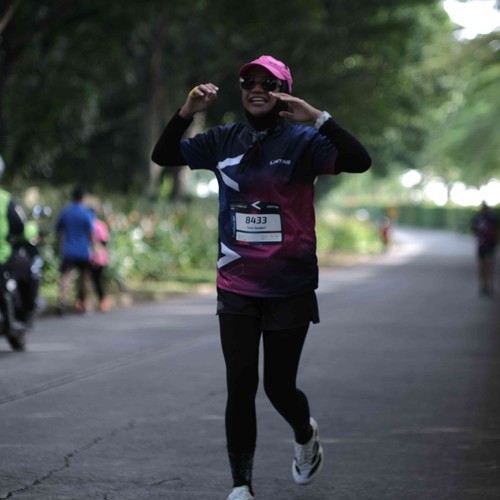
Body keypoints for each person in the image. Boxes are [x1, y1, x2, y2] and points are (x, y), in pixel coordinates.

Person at [152, 55, 372, 500]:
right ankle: (241, 485)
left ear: (284, 92)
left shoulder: (305, 141)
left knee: (278, 387)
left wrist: (319, 117)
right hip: (236, 283)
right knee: (240, 384)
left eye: (268, 84)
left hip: (289, 284)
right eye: (249, 81)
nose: (257, 88)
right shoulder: (223, 139)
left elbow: (359, 160)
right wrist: (187, 111)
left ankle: (305, 434)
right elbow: (163, 155)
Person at [0, 155, 39, 336]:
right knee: (30, 271)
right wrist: (34, 228)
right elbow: (20, 228)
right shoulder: (5, 200)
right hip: (3, 258)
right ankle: (25, 312)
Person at [55, 186, 94, 314]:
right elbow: (90, 233)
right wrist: (93, 248)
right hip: (83, 251)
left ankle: (62, 301)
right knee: (84, 278)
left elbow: (58, 232)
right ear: (83, 197)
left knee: (66, 276)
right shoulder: (85, 213)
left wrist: (60, 245)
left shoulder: (65, 212)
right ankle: (82, 303)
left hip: (68, 250)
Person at [471, 202, 498, 296]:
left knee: (487, 265)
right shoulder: (481, 218)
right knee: (484, 266)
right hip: (484, 245)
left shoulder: (490, 219)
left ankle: (487, 285)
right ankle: (485, 285)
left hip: (487, 245)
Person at [89, 207, 111, 312]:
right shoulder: (100, 225)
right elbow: (105, 241)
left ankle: (100, 302)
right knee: (98, 280)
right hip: (98, 257)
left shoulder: (88, 224)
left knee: (92, 280)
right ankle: (102, 301)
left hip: (91, 257)